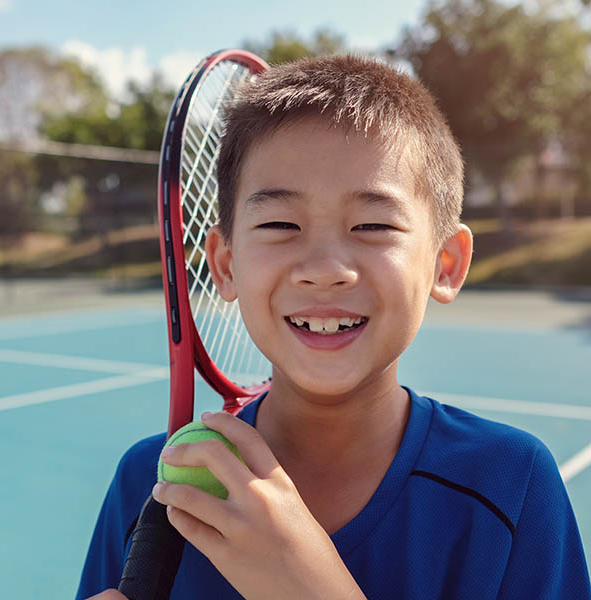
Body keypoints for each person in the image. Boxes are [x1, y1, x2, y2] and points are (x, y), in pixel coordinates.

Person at [78, 55, 590, 600]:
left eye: (372, 225)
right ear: (225, 266)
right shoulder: (150, 483)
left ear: (446, 263)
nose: (325, 270)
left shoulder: (511, 485)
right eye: (279, 224)